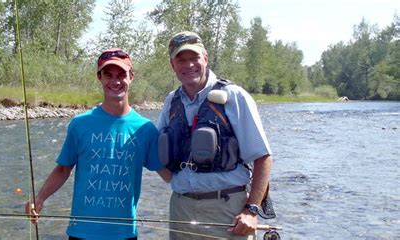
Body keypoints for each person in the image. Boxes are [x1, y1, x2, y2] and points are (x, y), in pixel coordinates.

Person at [25, 48, 171, 240]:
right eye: (108, 75)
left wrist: (212, 197)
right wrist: (39, 198)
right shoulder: (80, 124)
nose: (115, 81)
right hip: (81, 233)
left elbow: (168, 176)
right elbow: (62, 170)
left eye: (121, 75)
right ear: (99, 77)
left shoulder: (145, 129)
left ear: (131, 76)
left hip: (124, 234)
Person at [157, 31, 273, 239]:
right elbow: (156, 153)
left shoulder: (235, 96)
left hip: (228, 211)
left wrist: (252, 210)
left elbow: (263, 157)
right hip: (181, 209)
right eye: (181, 60)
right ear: (172, 65)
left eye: (194, 58)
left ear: (206, 58)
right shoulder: (171, 101)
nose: (189, 65)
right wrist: (176, 181)